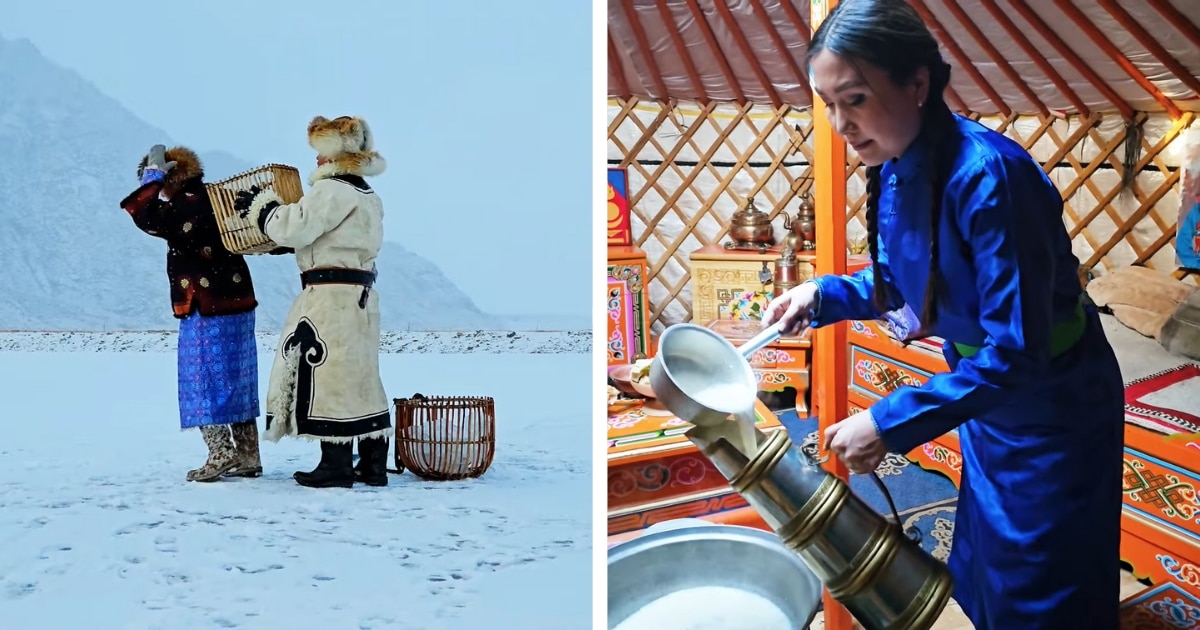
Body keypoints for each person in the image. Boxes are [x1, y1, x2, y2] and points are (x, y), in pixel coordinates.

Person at [761, 1, 1125, 628]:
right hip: (985, 401)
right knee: (985, 565)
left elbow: (1017, 350)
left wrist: (888, 421)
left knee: (1046, 581)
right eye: (828, 105)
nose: (841, 124)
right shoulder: (898, 165)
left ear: (918, 84)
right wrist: (819, 296)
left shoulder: (991, 178)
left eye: (855, 99)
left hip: (1053, 408)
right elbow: (902, 281)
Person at [233, 115, 391, 489]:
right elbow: (329, 238)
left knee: (328, 374)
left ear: (334, 154)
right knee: (361, 375)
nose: (316, 161)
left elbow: (296, 226)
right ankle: (373, 464)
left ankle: (335, 464)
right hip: (361, 294)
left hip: (330, 297)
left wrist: (263, 206)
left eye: (320, 153)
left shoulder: (332, 190)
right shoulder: (367, 193)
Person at [119, 145, 265, 482]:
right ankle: (248, 455)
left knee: (201, 381)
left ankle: (221, 453)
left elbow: (148, 215)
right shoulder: (219, 198)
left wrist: (152, 177)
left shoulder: (187, 204)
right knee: (237, 381)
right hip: (238, 302)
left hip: (206, 304)